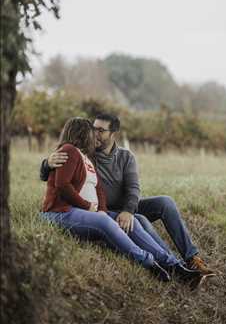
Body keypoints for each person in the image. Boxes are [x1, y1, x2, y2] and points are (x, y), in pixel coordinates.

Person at [40, 113, 214, 276]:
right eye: (93, 129)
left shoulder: (125, 156)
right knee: (141, 221)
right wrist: (47, 163)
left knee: (165, 202)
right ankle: (173, 266)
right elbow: (57, 174)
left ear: (113, 133)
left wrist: (128, 211)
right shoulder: (86, 153)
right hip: (99, 210)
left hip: (121, 207)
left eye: (101, 130)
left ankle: (191, 259)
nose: (95, 134)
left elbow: (133, 189)